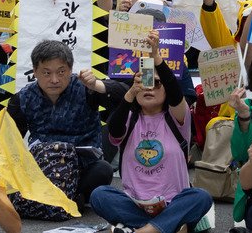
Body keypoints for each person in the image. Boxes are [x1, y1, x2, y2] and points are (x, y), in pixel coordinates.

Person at [90, 29, 213, 233]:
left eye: (157, 83)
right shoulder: (128, 117)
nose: (149, 88)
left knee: (200, 197)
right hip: (135, 203)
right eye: (142, 83)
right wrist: (130, 92)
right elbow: (114, 129)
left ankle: (143, 230)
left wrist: (156, 57)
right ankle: (168, 227)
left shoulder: (178, 117)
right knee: (100, 195)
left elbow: (175, 92)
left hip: (174, 202)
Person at [5, 39, 123, 216]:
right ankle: (66, 199)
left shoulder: (86, 88)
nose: (54, 80)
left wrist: (97, 85)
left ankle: (67, 196)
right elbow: (10, 141)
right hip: (43, 166)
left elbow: (124, 96)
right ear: (35, 71)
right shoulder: (23, 98)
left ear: (71, 70)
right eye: (46, 73)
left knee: (103, 170)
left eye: (61, 72)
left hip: (82, 164)